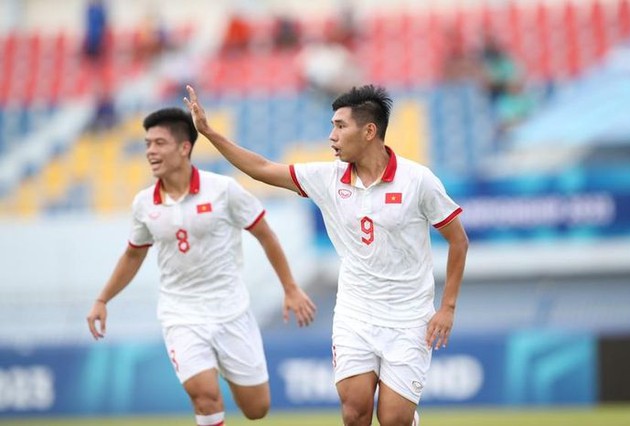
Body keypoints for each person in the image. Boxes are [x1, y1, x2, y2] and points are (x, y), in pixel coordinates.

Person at [184, 84, 469, 426]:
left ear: (368, 131)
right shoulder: (327, 178)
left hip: (409, 318)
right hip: (355, 313)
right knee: (354, 411)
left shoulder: (417, 180)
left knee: (393, 419)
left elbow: (458, 241)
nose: (331, 136)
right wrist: (210, 133)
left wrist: (447, 307)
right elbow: (261, 168)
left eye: (339, 126)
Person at [86, 107, 316, 426]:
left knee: (257, 408)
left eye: (159, 143)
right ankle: (206, 373)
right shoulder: (144, 203)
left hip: (231, 310)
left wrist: (290, 288)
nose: (151, 151)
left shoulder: (223, 190)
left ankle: (223, 363)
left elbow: (265, 234)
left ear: (184, 147)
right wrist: (102, 299)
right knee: (204, 396)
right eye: (147, 144)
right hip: (181, 313)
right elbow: (133, 254)